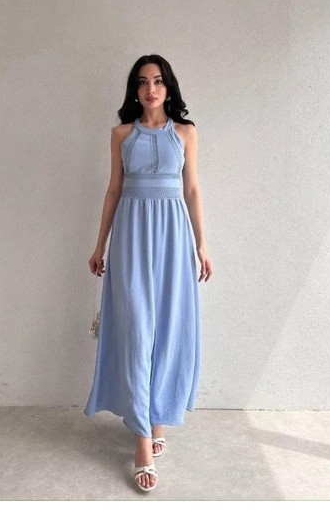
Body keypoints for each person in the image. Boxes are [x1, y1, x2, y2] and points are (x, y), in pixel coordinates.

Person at [85, 54, 212, 492]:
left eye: (157, 81)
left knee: (168, 331)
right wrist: (100, 244)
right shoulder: (122, 134)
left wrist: (202, 244)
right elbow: (113, 190)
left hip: (174, 240)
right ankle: (142, 441)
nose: (150, 89)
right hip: (132, 238)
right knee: (138, 330)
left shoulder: (186, 133)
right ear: (135, 90)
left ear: (168, 87)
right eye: (142, 82)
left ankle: (157, 416)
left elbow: (191, 189)